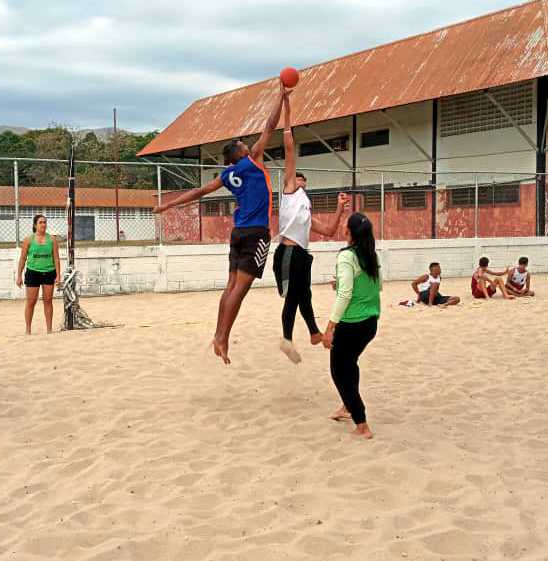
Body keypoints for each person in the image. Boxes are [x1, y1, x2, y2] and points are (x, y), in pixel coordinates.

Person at [153, 85, 290, 364]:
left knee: (229, 287)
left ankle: (219, 334)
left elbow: (199, 192)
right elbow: (270, 124)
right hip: (255, 234)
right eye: (242, 143)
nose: (245, 142)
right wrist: (281, 96)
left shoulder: (228, 174)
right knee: (240, 289)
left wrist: (168, 204)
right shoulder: (252, 161)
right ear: (240, 153)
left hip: (238, 232)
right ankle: (222, 337)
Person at [273, 93, 349, 363]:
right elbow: (290, 148)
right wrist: (287, 110)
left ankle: (314, 333)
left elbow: (328, 231)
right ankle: (287, 338)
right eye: (298, 177)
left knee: (304, 295)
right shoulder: (290, 191)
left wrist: (340, 208)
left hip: (301, 255)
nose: (301, 180)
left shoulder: (305, 209)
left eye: (304, 179)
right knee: (294, 298)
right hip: (288, 253)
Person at [323, 213, 381, 440]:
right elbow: (376, 285)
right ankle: (347, 407)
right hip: (370, 323)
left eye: (345, 222)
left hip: (352, 325)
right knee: (350, 364)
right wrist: (341, 285)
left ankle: (362, 424)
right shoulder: (370, 254)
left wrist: (330, 327)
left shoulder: (347, 256)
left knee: (339, 372)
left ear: (348, 231)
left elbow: (345, 294)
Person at [16, 214, 62, 334]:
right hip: (33, 272)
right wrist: (19, 275)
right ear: (35, 225)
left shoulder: (52, 239)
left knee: (48, 301)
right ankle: (28, 329)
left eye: (45, 222)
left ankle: (49, 329)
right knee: (31, 302)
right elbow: (22, 259)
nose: (43, 224)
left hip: (48, 272)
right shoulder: (28, 240)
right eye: (41, 222)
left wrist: (58, 275)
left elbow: (56, 258)